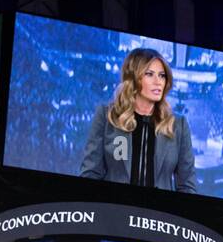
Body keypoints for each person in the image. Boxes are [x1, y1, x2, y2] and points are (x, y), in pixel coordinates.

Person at [79, 48, 197, 193]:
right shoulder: (106, 116)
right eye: (149, 74)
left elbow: (187, 186)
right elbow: (90, 173)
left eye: (161, 76)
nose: (158, 82)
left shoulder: (178, 124)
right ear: (134, 78)